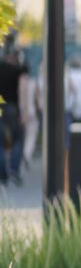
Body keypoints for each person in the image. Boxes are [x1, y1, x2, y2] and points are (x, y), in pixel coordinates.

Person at [0, 49, 28, 186]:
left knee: (1, 141)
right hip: (12, 107)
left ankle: (2, 175)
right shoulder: (19, 71)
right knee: (17, 140)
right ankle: (14, 171)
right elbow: (22, 91)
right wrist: (24, 112)